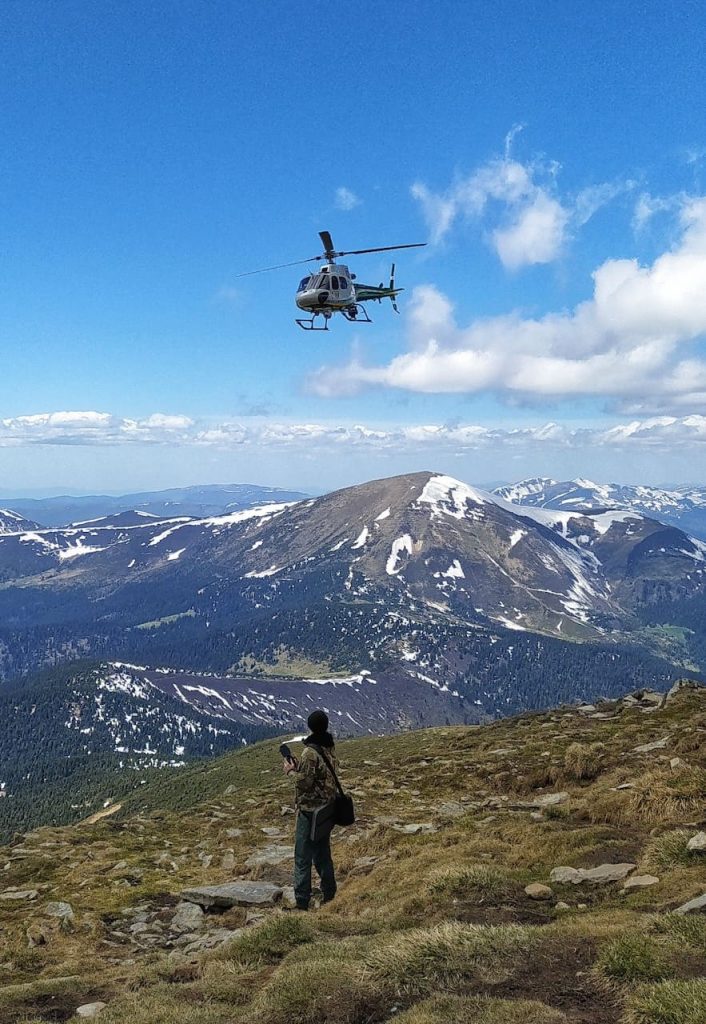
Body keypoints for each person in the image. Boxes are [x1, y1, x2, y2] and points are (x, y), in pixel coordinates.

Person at [283, 709, 339, 910]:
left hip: (309, 811)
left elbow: (305, 783)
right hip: (326, 811)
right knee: (323, 854)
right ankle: (330, 894)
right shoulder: (328, 745)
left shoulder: (310, 752)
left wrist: (290, 772)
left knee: (302, 857)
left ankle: (301, 902)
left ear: (310, 726)